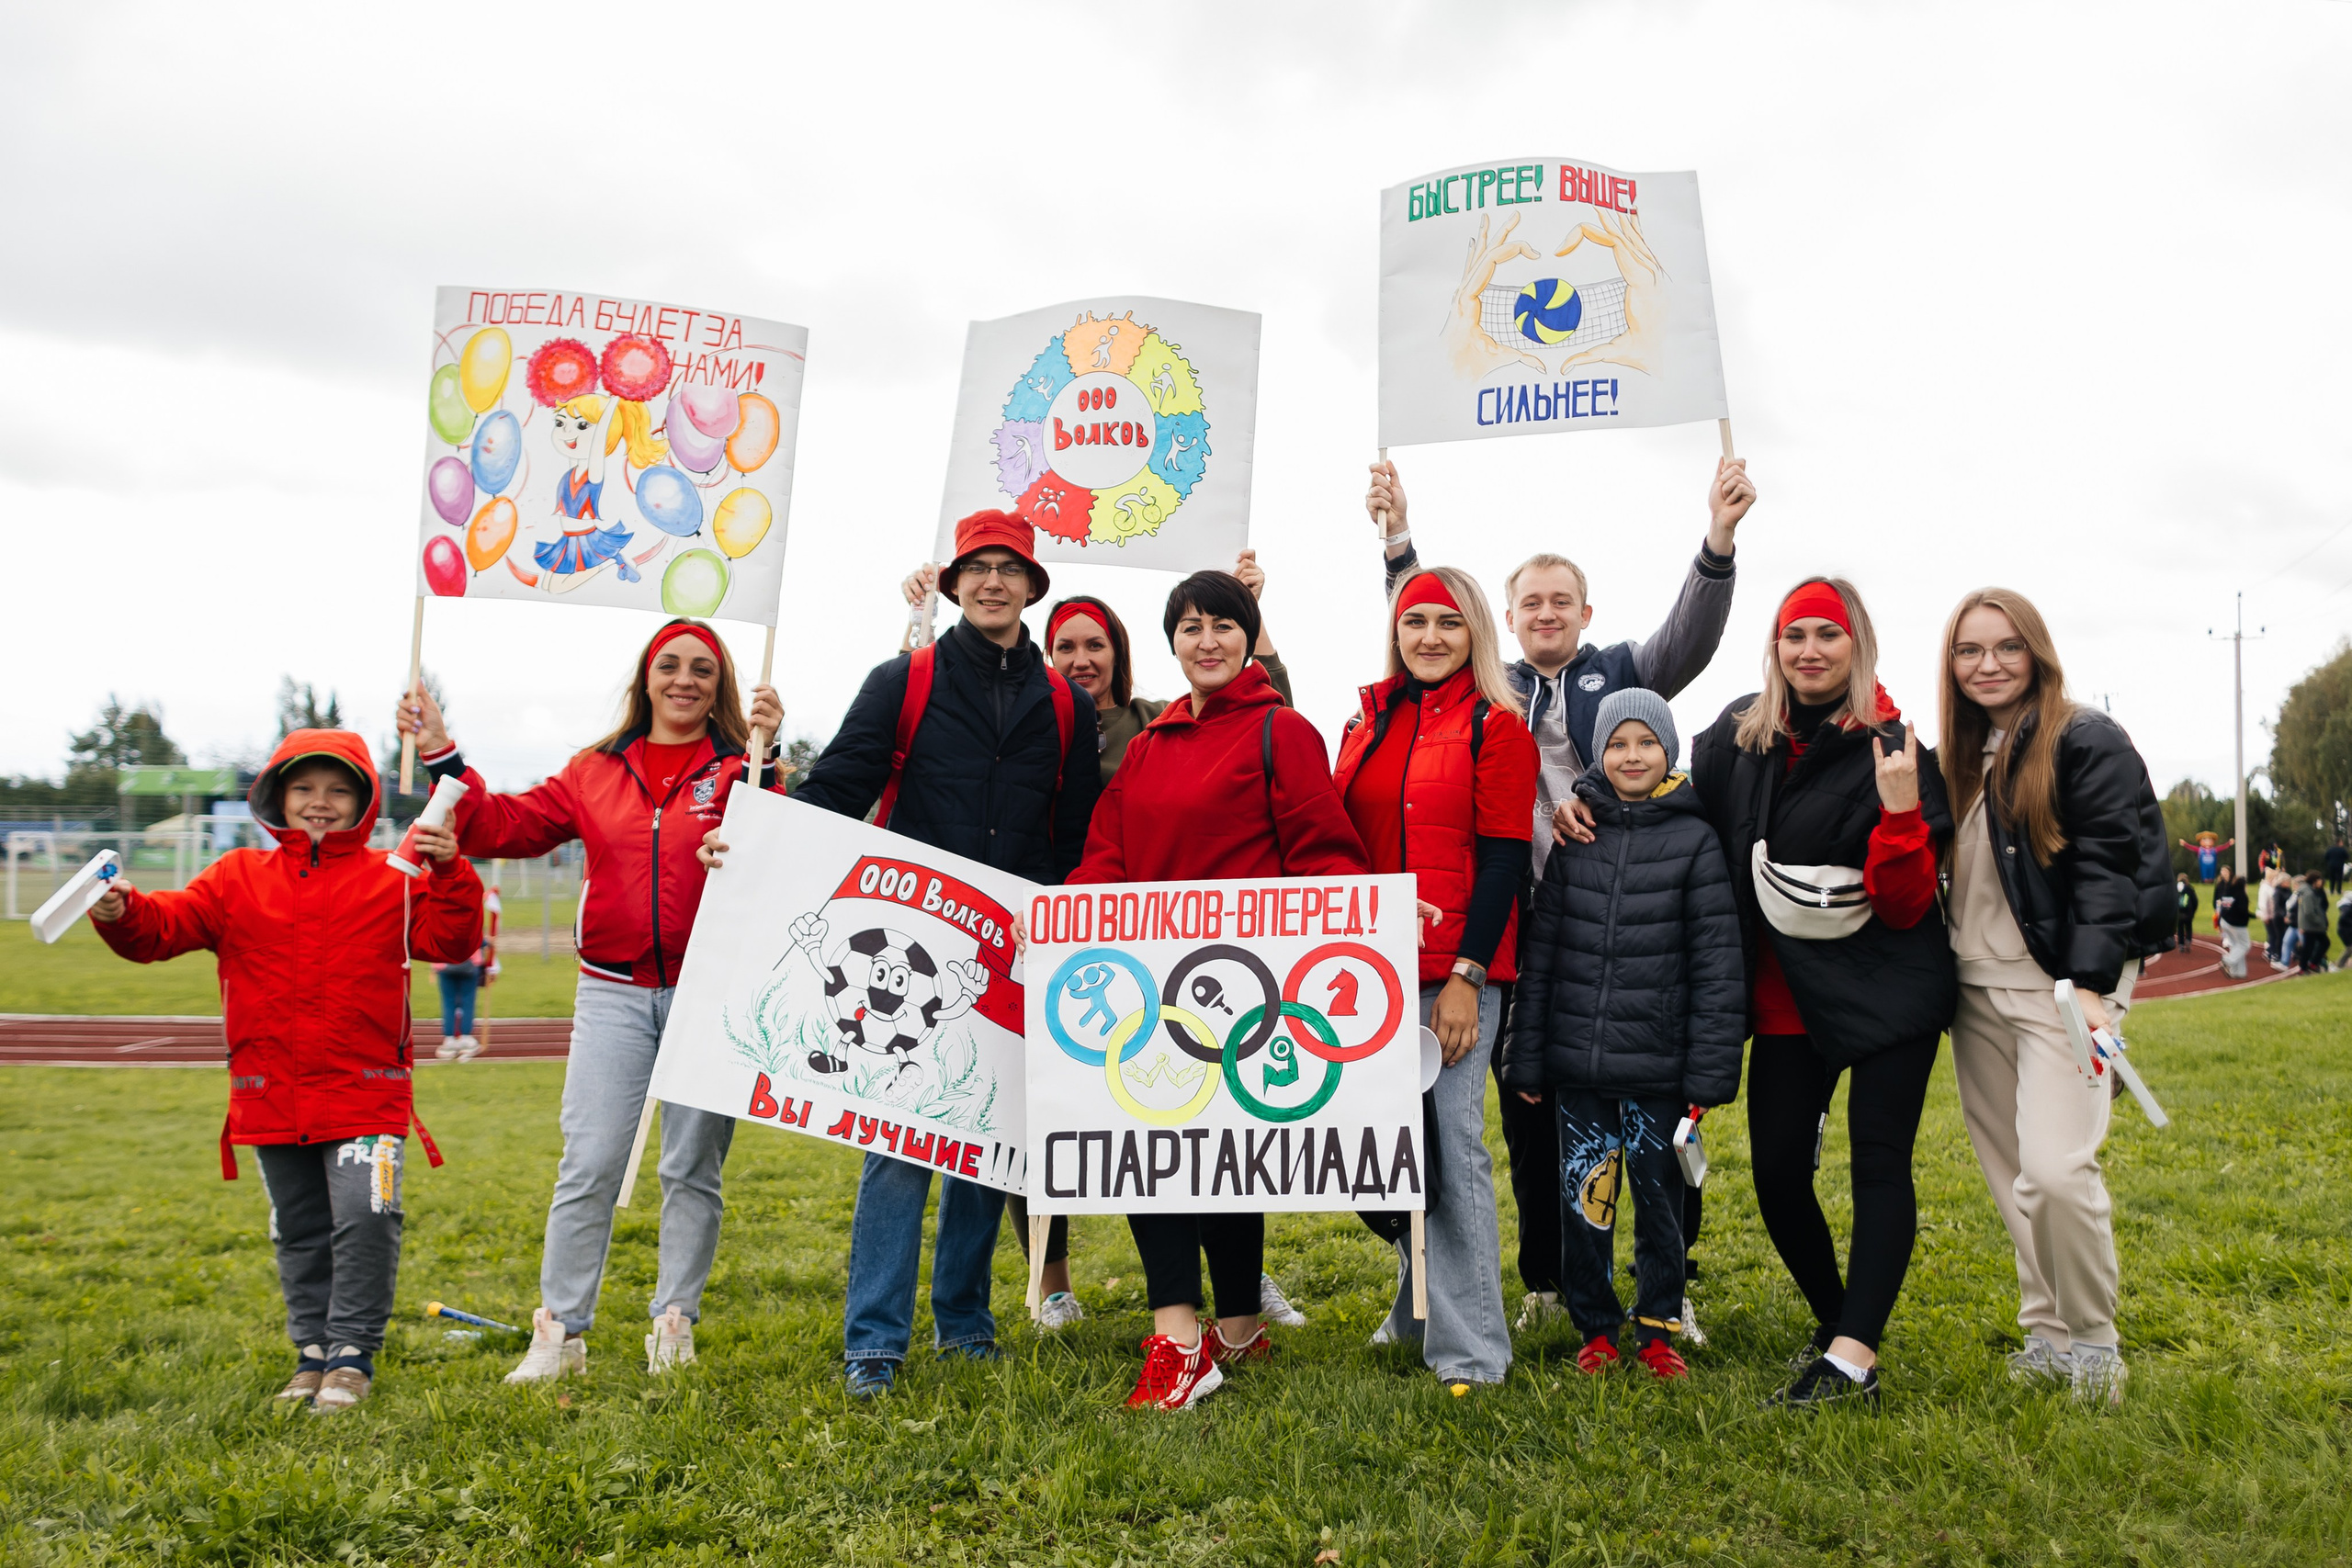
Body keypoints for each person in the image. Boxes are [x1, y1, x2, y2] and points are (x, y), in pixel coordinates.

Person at [1363, 454, 1755, 1336]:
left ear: (1586, 612)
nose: (1546, 613)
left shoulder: (1620, 674)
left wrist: (1718, 541)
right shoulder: (1487, 686)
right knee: (1531, 1109)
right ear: (1507, 618)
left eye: (1562, 601)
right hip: (1521, 924)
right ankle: (1547, 1276)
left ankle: (1668, 1280)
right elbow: (1423, 618)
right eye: (1531, 602)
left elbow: (1688, 638)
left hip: (1619, 921)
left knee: (1650, 1114)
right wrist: (1398, 539)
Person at [725, 510, 1098, 1399]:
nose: (994, 582)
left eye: (1010, 568)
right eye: (979, 568)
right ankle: (875, 1343)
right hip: (907, 945)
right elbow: (840, 787)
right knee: (897, 1143)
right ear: (954, 583)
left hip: (1011, 947)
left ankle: (965, 1325)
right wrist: (757, 829)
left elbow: (1078, 832)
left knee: (984, 1144)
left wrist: (1060, 914)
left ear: (1031, 586)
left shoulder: (1066, 703)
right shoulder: (903, 679)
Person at [894, 551, 1302, 1332]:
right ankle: (1085, 1294)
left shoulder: (1165, 722)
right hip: (1106, 958)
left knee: (1219, 1142)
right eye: (1065, 646)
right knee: (1120, 1131)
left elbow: (1267, 719)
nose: (1081, 659)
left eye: (1095, 644)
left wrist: (1250, 612)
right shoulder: (1057, 725)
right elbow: (1093, 841)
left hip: (1218, 962)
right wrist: (1057, 910)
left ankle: (1240, 1304)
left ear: (1120, 650)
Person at [395, 619, 786, 1382]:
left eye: (702, 668)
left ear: (722, 686)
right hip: (611, 991)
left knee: (692, 1167)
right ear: (645, 678)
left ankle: (674, 1322)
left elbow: (782, 847)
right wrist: (442, 751)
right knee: (590, 1161)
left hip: (710, 989)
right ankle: (561, 1331)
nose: (684, 679)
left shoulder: (744, 766)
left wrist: (769, 762)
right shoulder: (594, 769)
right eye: (668, 665)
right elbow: (502, 825)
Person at [88, 730, 482, 1413]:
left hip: (369, 1094)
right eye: (303, 787)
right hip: (270, 1093)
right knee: (299, 1230)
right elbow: (161, 928)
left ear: (364, 801)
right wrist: (121, 910)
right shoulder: (235, 876)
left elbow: (453, 937)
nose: (319, 802)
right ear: (277, 795)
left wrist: (450, 871)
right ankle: (313, 1353)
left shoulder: (395, 876)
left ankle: (352, 1355)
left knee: (367, 1215)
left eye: (338, 789)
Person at [1069, 568, 1369, 1410]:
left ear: (1248, 637)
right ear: (1172, 642)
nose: (1207, 640)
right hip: (1154, 987)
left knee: (1227, 1159)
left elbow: (1324, 852)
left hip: (1244, 986)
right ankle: (1185, 1335)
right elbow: (1107, 854)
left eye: (1224, 624)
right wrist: (1065, 919)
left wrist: (1359, 914)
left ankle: (1229, 1329)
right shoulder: (1149, 745)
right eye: (1191, 627)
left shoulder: (1283, 731)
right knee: (1156, 1153)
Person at [1690, 577, 1955, 1408]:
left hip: (1887, 985)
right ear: (1775, 646)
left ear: (1856, 644)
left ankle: (1851, 1358)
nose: (1809, 650)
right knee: (1776, 1171)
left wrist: (1902, 814)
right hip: (1786, 994)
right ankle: (1837, 1318)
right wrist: (1590, 803)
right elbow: (1669, 799)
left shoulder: (1896, 747)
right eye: (1794, 634)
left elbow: (1906, 904)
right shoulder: (1735, 737)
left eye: (1827, 634)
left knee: (1878, 1160)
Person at [1936, 588, 2174, 1409]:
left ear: (2036, 652)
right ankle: (2047, 1333)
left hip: (2062, 991)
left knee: (2055, 1171)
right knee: (2013, 1177)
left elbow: (2111, 865)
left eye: (2007, 646)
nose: (1988, 664)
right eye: (1969, 650)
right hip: (1974, 991)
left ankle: (2096, 1343)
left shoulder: (2085, 739)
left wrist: (2094, 985)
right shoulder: (1955, 756)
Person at [1331, 565, 1539, 1391]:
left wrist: (1467, 975)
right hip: (1365, 973)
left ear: (1475, 633)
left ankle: (1472, 1348)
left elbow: (1504, 862)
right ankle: (1418, 1305)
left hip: (1452, 972)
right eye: (1415, 621)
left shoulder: (1499, 727)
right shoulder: (1365, 722)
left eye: (1448, 622)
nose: (1429, 636)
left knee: (1451, 1147)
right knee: (1379, 1150)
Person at [1500, 690, 1744, 1382]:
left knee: (1661, 1202)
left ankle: (1659, 1325)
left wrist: (1708, 1074)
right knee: (1587, 1200)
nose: (1631, 756)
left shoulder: (1696, 841)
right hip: (1579, 1070)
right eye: (1616, 744)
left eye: (1645, 742)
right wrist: (1526, 1058)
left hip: (1660, 1072)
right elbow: (1542, 957)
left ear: (1669, 750)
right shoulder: (1575, 841)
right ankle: (1597, 1328)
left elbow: (1717, 966)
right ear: (1598, 755)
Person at [433, 910, 494, 1063]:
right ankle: (465, 1037)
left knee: (448, 1002)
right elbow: (477, 939)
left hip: (444, 964)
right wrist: (488, 942)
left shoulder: (439, 917)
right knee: (467, 1001)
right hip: (469, 964)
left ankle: (449, 1039)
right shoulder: (470, 917)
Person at [2213, 869, 2252, 979]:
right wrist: (2252, 915)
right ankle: (2228, 960)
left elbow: (2224, 908)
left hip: (2225, 922)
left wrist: (2219, 923)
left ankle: (2238, 972)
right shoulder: (2241, 896)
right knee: (2245, 945)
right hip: (2236, 924)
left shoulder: (2228, 893)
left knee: (2236, 945)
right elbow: (2242, 910)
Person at [2294, 871, 2331, 973]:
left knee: (2312, 945)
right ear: (2314, 880)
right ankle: (2305, 967)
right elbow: (2309, 912)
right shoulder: (2308, 893)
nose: (2321, 882)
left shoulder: (2308, 891)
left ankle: (2309, 965)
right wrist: (2319, 921)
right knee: (2317, 945)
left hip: (2310, 925)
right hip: (2311, 925)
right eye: (2319, 880)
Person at [2173, 874, 2199, 951]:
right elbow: (2195, 901)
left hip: (2179, 913)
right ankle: (2188, 940)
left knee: (2180, 928)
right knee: (2188, 927)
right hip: (2188, 913)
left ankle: (2181, 944)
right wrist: (2193, 911)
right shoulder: (2190, 889)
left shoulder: (2175, 888)